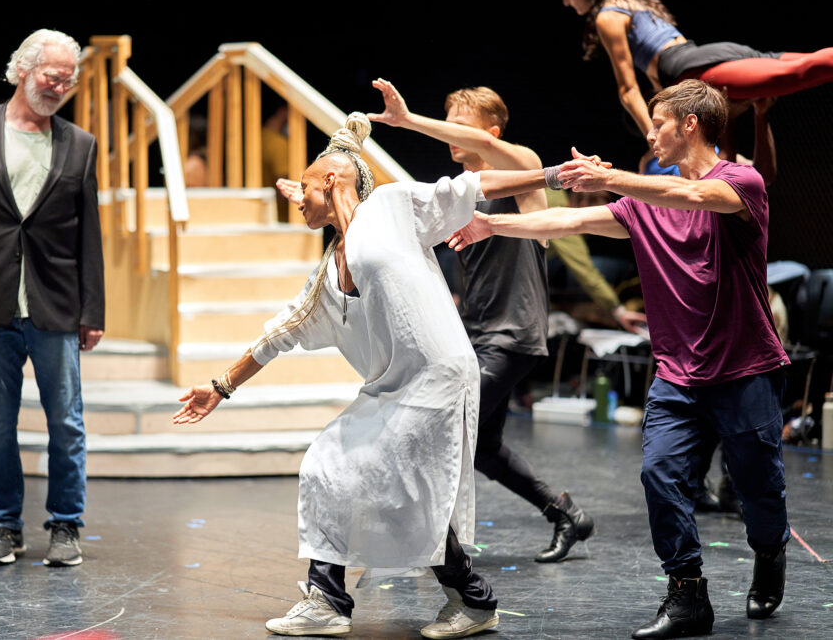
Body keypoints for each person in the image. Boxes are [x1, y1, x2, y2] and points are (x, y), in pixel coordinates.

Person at [175, 113, 563, 638]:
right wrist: (220, 386)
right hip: (388, 389)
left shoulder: (392, 208)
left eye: (305, 190)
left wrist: (552, 176)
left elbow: (477, 185)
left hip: (438, 376)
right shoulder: (328, 272)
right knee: (336, 471)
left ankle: (340, 601)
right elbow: (279, 332)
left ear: (330, 180)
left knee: (381, 481)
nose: (299, 201)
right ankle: (444, 601)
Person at [448, 80, 790, 639]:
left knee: (758, 491)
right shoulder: (644, 204)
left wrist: (607, 178)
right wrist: (495, 223)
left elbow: (695, 198)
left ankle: (769, 550)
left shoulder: (740, 183)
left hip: (745, 371)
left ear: (689, 125)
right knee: (660, 475)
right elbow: (570, 221)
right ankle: (686, 596)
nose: (650, 132)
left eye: (657, 123)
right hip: (678, 376)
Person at [365, 78, 604, 562]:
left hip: (512, 332)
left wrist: (409, 121)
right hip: (474, 333)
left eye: (461, 127)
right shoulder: (459, 193)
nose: (451, 135)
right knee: (483, 448)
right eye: (446, 124)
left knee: (440, 428)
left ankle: (427, 545)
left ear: (491, 131)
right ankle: (565, 514)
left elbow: (495, 150)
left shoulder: (525, 173)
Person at [0, 29, 105, 567]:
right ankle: (4, 526)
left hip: (55, 304)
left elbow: (89, 237)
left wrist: (92, 310)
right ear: (21, 71)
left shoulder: (79, 144)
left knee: (67, 423)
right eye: (50, 76)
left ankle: (65, 525)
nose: (58, 86)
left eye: (67, 79)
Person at [555, 0, 832, 152]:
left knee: (802, 71)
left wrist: (654, 137)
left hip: (691, 68)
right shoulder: (636, 3)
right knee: (809, 63)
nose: (567, 1)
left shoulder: (608, 15)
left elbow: (628, 90)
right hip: (708, 53)